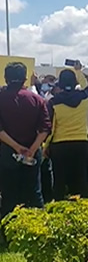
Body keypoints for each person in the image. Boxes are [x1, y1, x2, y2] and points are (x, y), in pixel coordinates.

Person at [0, 63, 51, 229]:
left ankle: (9, 232)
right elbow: (45, 128)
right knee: (34, 192)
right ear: (25, 78)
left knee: (9, 194)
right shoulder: (37, 99)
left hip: (7, 152)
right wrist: (32, 149)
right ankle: (39, 231)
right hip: (31, 153)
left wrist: (16, 147)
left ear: (6, 78)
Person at [46, 69, 88, 200]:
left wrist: (45, 147)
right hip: (81, 142)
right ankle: (85, 208)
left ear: (59, 84)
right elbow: (87, 87)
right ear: (75, 82)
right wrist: (78, 70)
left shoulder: (53, 102)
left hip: (60, 145)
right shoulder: (84, 98)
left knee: (59, 180)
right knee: (81, 178)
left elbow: (51, 128)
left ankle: (59, 208)